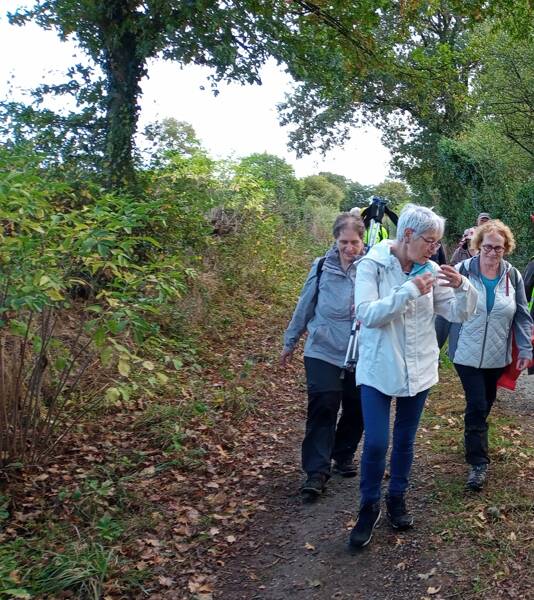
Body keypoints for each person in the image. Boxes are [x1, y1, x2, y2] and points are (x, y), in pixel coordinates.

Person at [348, 204, 478, 550]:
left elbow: (456, 313)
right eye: (430, 241)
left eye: (437, 242)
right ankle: (368, 505)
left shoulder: (432, 269)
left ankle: (397, 497)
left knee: (405, 440)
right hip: (378, 368)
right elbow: (366, 315)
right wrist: (407, 291)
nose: (434, 248)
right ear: (407, 235)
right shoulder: (372, 266)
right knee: (376, 441)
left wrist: (464, 286)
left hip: (418, 370)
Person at [281, 213, 366, 503]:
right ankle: (316, 472)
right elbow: (305, 305)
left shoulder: (371, 268)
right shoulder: (321, 266)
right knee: (324, 405)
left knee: (357, 408)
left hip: (360, 351)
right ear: (335, 240)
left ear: (362, 241)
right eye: (344, 241)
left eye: (354, 242)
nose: (349, 248)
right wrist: (290, 341)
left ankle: (342, 455)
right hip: (322, 348)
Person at [448, 220, 533, 491]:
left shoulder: (513, 276)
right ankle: (478, 463)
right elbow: (442, 310)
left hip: (498, 356)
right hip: (465, 353)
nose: (492, 253)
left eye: (498, 248)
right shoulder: (462, 271)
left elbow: (522, 313)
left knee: (485, 402)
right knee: (476, 404)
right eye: (487, 247)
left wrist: (526, 348)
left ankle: (474, 435)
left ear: (506, 248)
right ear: (478, 246)